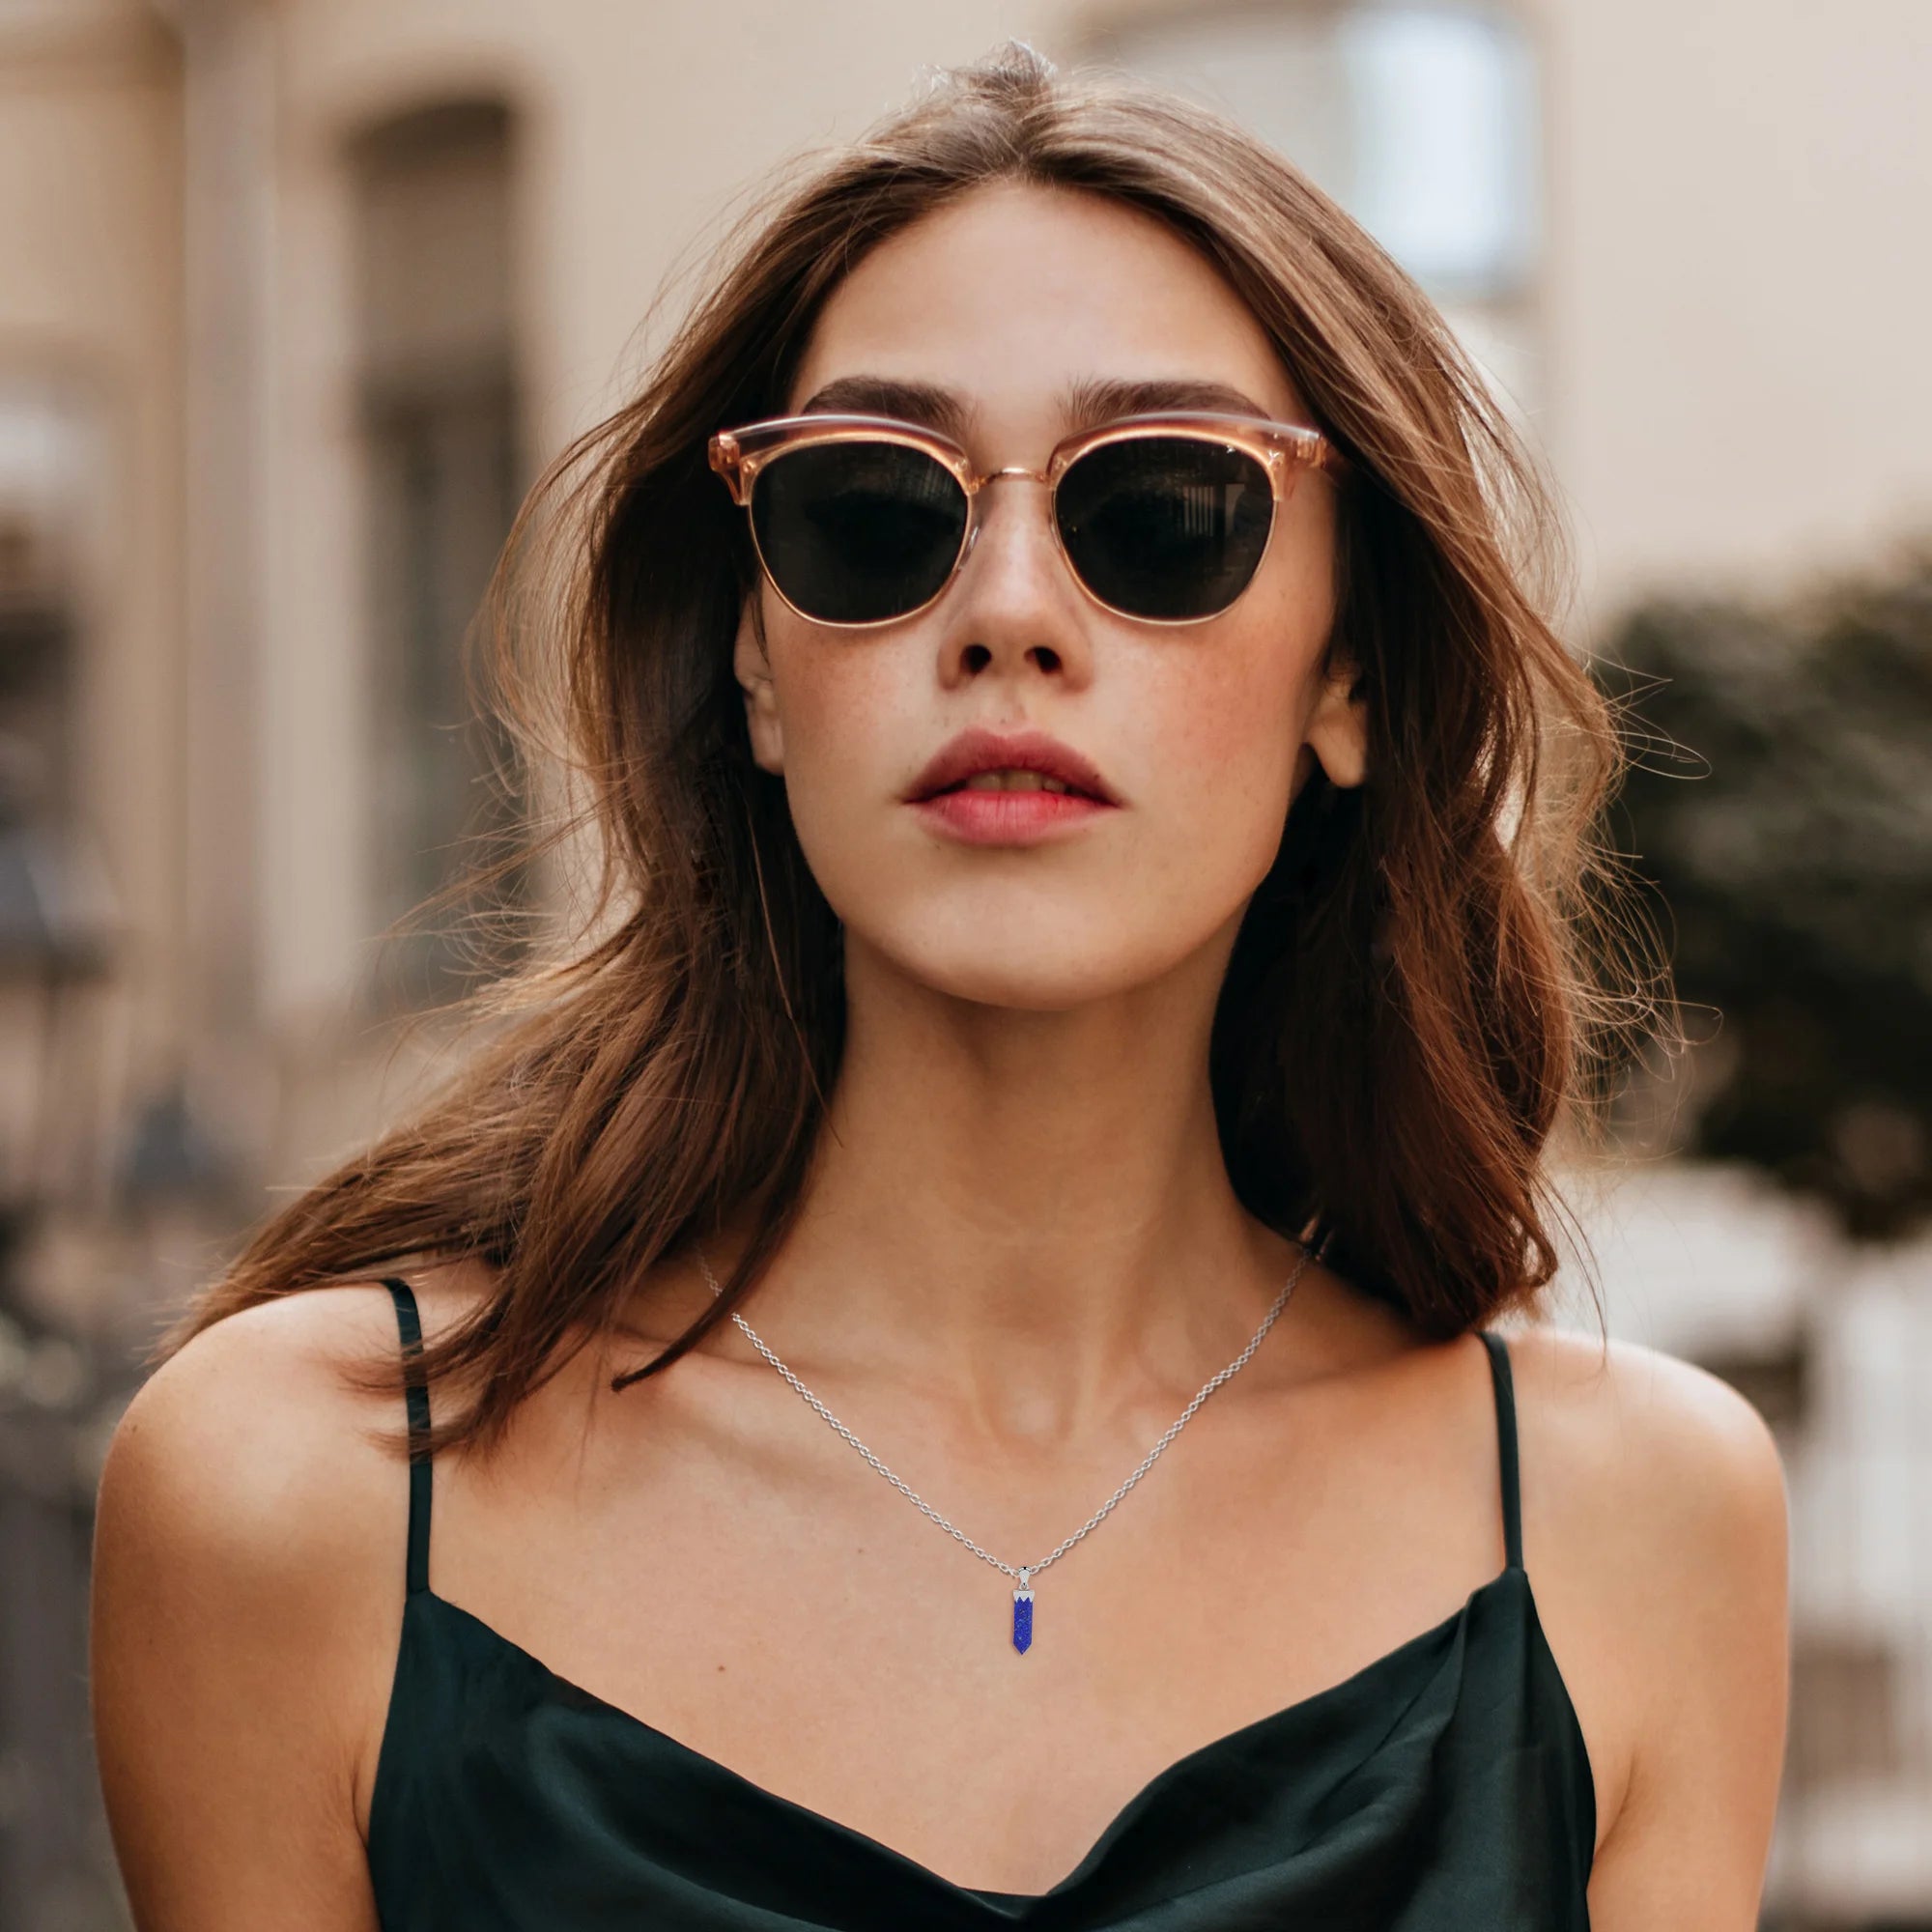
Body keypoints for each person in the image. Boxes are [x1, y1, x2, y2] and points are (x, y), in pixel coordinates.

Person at [89, 42, 1788, 1930]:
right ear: (751, 655)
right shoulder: (301, 1491)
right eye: (872, 510)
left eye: (1158, 508)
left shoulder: (1627, 1526)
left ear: (1351, 675)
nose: (1004, 608)